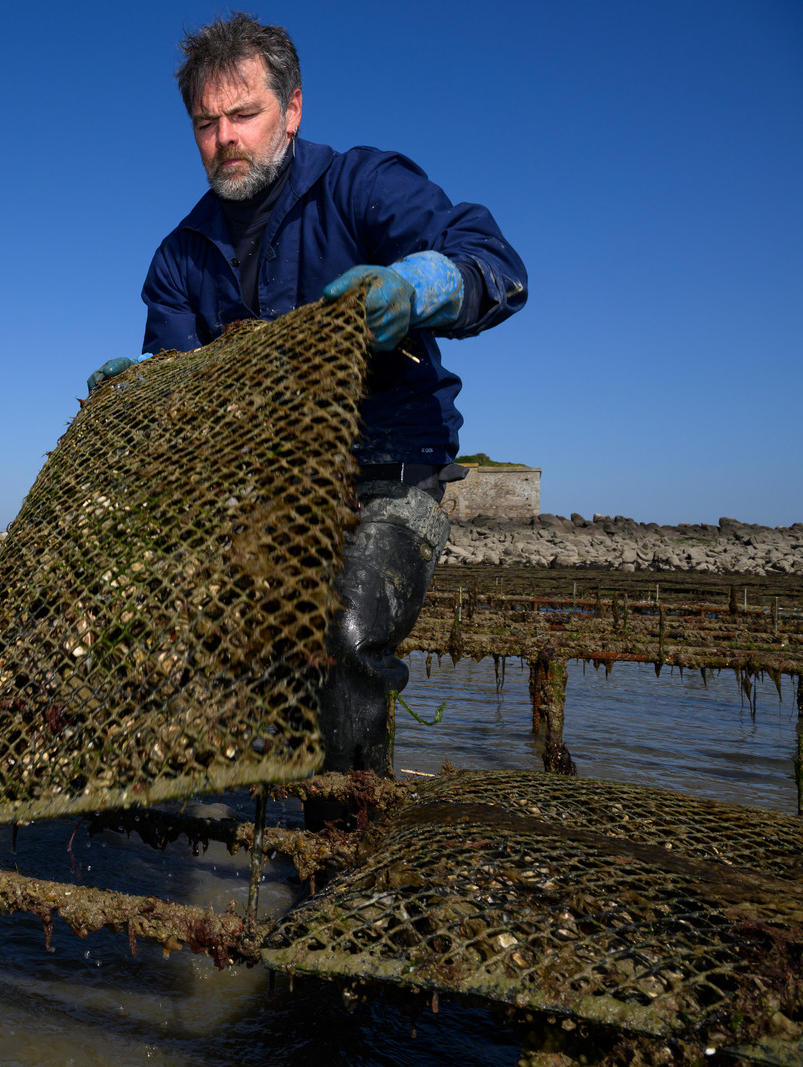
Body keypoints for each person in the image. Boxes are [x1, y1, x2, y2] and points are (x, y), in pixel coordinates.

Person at [87, 15, 527, 821]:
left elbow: (492, 259)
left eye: (243, 114)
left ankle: (344, 859)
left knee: (347, 635)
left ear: (291, 111)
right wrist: (148, 389)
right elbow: (188, 402)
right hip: (270, 489)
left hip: (389, 468)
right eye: (205, 123)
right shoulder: (180, 257)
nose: (224, 138)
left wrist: (421, 287)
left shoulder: (360, 184)